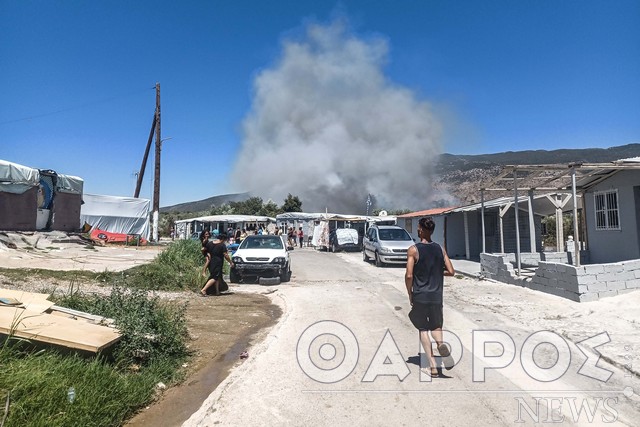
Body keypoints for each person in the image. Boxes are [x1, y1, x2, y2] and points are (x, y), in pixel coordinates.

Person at [405, 217, 455, 378]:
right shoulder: (440, 249)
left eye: (418, 228)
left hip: (420, 295)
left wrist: (410, 293)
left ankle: (433, 366)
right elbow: (451, 271)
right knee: (436, 326)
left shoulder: (413, 250)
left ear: (420, 229)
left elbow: (409, 275)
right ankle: (440, 344)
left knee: (423, 328)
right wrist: (435, 272)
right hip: (436, 296)